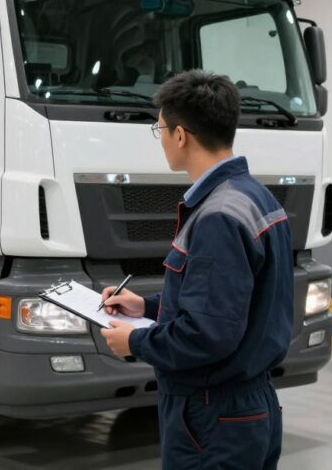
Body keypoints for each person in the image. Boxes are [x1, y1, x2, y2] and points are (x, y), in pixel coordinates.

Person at [99, 70, 293, 470]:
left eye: (161, 129)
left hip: (211, 416)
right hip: (248, 405)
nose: (163, 138)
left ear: (181, 135)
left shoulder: (217, 216)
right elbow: (232, 302)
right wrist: (147, 307)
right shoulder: (256, 197)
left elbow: (209, 335)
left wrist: (134, 344)